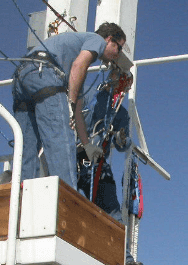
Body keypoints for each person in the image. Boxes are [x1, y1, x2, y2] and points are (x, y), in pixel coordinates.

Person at [12, 23, 126, 189]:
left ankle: (19, 196)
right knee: (61, 139)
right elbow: (78, 66)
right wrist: (70, 104)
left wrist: (87, 145)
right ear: (109, 40)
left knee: (26, 147)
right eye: (119, 49)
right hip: (45, 74)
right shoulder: (96, 40)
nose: (117, 55)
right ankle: (66, 199)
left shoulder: (74, 66)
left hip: (22, 76)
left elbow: (77, 110)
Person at [76, 70, 140, 265]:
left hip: (98, 164)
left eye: (126, 82)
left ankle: (123, 258)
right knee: (69, 203)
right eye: (118, 78)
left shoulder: (120, 112)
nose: (122, 84)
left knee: (112, 210)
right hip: (75, 158)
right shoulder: (90, 96)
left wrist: (123, 139)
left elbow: (122, 144)